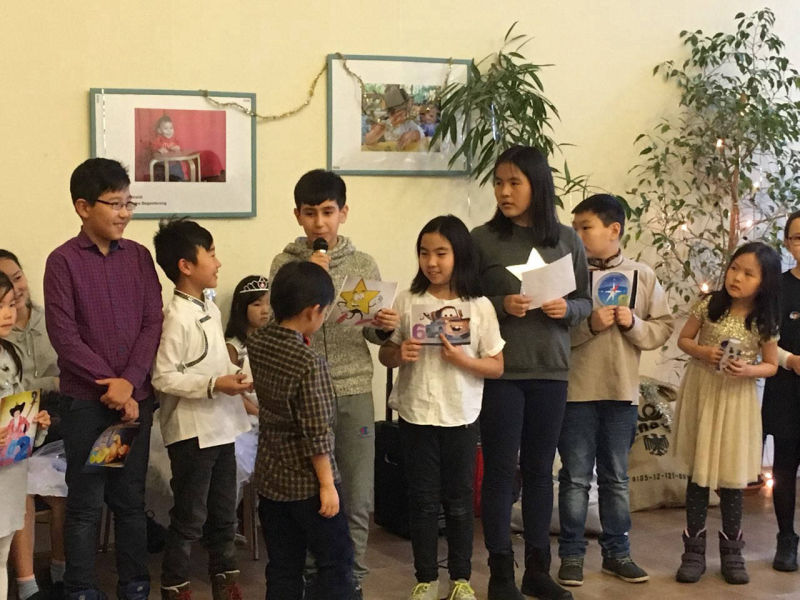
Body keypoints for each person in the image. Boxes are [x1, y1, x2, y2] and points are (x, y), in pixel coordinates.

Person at [269, 168, 399, 598]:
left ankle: (351, 579)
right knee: (312, 496)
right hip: (303, 398)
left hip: (353, 389)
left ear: (343, 213)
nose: (320, 223)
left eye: (328, 212)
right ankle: (314, 579)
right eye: (310, 213)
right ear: (297, 216)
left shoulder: (362, 264)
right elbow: (278, 327)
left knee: (357, 495)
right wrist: (310, 276)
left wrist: (384, 326)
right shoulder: (285, 265)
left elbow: (372, 333)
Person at [470, 145, 591, 600]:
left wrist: (567, 310)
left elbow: (586, 301)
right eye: (499, 183)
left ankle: (538, 571)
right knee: (501, 472)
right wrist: (501, 304)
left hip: (551, 371)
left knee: (541, 471)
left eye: (514, 183)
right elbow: (464, 302)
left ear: (537, 186)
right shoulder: (482, 239)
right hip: (501, 372)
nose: (504, 192)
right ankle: (501, 574)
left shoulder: (567, 239)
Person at [43, 157, 163, 600]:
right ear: (83, 207)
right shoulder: (63, 262)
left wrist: (129, 382)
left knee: (130, 501)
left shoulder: (139, 257)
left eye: (129, 203)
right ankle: (81, 588)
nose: (124, 213)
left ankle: (134, 584)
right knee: (86, 503)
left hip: (133, 402)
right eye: (114, 204)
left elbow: (152, 321)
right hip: (88, 406)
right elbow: (64, 336)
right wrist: (111, 384)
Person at [378, 215, 505, 600]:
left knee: (460, 501)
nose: (431, 262)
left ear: (459, 255)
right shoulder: (407, 300)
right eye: (424, 253)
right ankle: (426, 579)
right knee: (421, 501)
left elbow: (497, 366)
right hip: (416, 413)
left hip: (460, 415)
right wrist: (399, 352)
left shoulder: (478, 306)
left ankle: (461, 579)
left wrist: (463, 360)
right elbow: (386, 354)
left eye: (441, 253)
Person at [556, 194, 674, 587]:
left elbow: (662, 327)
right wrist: (589, 324)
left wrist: (632, 323)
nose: (577, 235)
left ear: (614, 229)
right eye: (574, 228)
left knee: (617, 479)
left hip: (621, 393)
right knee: (575, 479)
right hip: (576, 393)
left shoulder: (642, 275)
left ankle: (617, 554)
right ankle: (571, 555)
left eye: (585, 227)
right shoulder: (567, 277)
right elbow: (552, 334)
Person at [151, 218, 252, 600]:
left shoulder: (209, 307)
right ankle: (175, 585)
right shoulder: (176, 317)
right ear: (186, 265)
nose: (218, 261)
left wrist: (237, 380)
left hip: (222, 426)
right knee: (190, 515)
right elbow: (163, 377)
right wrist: (213, 385)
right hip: (192, 432)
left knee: (225, 511)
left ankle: (225, 580)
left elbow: (216, 364)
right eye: (210, 253)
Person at [673, 241, 781, 585]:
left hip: (736, 401)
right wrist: (703, 352)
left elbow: (771, 365)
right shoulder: (709, 305)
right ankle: (693, 552)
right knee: (698, 476)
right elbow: (684, 340)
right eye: (734, 268)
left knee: (732, 480)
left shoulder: (764, 320)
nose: (737, 277)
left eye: (749, 274)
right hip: (703, 393)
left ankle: (733, 553)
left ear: (764, 282)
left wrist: (748, 370)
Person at [249, 261, 355, 599]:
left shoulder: (258, 341)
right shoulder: (309, 363)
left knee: (283, 565)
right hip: (308, 482)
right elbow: (317, 432)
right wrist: (328, 485)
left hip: (270, 475)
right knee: (336, 561)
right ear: (313, 311)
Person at [0, 249, 66, 600]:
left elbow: (18, 404)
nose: (8, 311)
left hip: (31, 439)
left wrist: (37, 424)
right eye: (1, 303)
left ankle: (62, 570)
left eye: (17, 278)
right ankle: (27, 583)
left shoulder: (48, 322)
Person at [763, 210, 800, 572]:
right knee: (785, 466)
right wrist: (791, 361)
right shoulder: (778, 287)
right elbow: (764, 337)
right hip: (787, 388)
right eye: (798, 237)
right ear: (788, 243)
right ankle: (786, 538)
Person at [225, 275, 270, 494]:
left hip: (271, 414)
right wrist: (260, 414)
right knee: (238, 457)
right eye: (257, 304)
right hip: (244, 418)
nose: (265, 310)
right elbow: (232, 393)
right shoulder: (233, 347)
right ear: (242, 307)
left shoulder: (273, 342)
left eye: (269, 303)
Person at [363, 85, 424, 151]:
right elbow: (367, 142)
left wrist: (414, 134)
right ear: (388, 113)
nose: (399, 118)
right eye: (394, 114)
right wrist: (375, 134)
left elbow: (421, 134)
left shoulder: (407, 123)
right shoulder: (382, 123)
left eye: (402, 114)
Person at [150, 115, 185, 181]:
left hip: (174, 164)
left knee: (179, 178)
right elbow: (152, 147)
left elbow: (180, 149)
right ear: (159, 131)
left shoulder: (175, 140)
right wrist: (158, 149)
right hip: (162, 165)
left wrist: (177, 148)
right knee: (162, 180)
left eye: (171, 128)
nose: (169, 131)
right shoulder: (158, 140)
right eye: (166, 129)